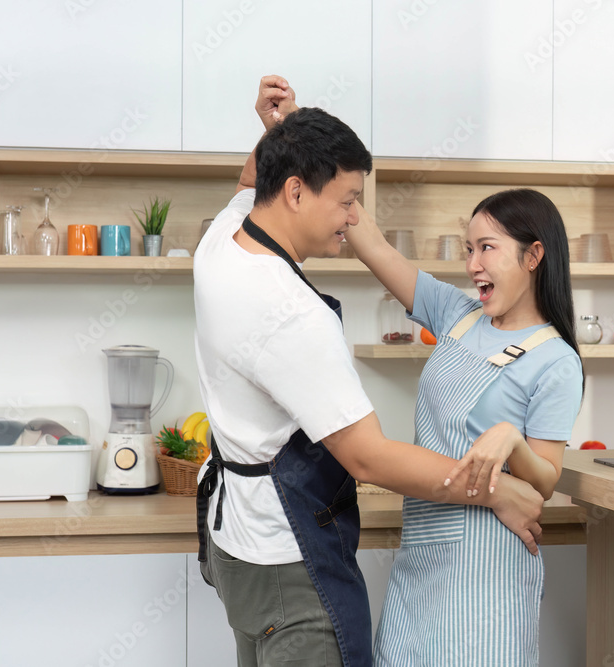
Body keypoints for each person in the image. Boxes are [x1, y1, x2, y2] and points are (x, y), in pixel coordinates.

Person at [192, 76, 545, 667]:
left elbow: (252, 181)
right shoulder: (291, 313)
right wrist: (496, 491)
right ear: (296, 192)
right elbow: (369, 457)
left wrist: (285, 129)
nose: (354, 217)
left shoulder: (221, 241)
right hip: (292, 561)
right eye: (348, 200)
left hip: (238, 547)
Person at [345, 188, 584, 666]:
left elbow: (544, 481)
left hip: (487, 566)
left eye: (487, 248)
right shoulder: (457, 315)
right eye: (469, 249)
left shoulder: (556, 361)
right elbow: (373, 245)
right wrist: (312, 161)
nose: (473, 264)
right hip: (421, 549)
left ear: (534, 255)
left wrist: (513, 441)